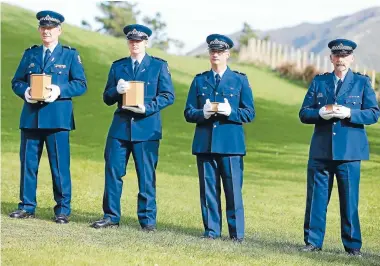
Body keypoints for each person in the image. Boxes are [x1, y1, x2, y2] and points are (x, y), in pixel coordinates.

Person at [299, 38, 380, 256]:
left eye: (344, 56)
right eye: (336, 56)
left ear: (351, 58)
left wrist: (351, 113)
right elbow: (303, 113)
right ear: (331, 58)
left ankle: (353, 246)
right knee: (316, 199)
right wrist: (319, 114)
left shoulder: (362, 83)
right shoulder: (319, 82)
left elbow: (374, 113)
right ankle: (313, 242)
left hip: (350, 152)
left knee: (349, 200)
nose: (340, 60)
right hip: (321, 151)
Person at [91, 24, 175, 230]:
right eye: (131, 41)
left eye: (138, 41)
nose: (134, 44)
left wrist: (147, 108)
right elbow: (106, 98)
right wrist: (116, 90)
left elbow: (168, 96)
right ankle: (111, 216)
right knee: (113, 172)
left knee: (146, 175)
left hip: (147, 128)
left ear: (146, 42)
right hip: (120, 128)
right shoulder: (118, 66)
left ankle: (147, 221)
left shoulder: (158, 66)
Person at [9, 10, 87, 224]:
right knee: (28, 164)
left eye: (51, 28)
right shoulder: (30, 54)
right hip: (31, 117)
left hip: (57, 119)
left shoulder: (70, 55)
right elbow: (16, 81)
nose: (47, 31)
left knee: (60, 165)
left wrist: (58, 90)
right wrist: (25, 92)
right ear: (39, 30)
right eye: (43, 28)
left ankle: (62, 209)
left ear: (59, 30)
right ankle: (26, 206)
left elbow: (81, 84)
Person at [184, 34, 255, 242]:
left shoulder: (240, 80)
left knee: (233, 191)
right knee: (208, 191)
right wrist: (202, 113)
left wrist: (230, 111)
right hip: (205, 144)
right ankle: (212, 231)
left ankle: (236, 234)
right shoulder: (199, 80)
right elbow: (188, 112)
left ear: (227, 55)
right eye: (212, 51)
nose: (215, 55)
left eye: (220, 52)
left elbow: (249, 113)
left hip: (231, 145)